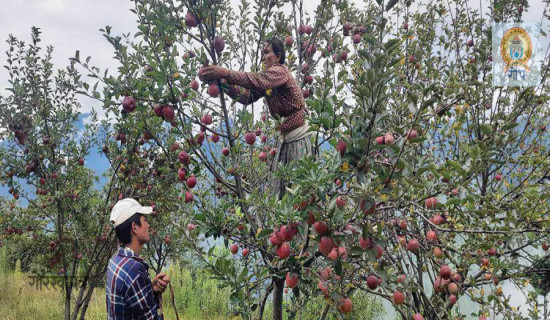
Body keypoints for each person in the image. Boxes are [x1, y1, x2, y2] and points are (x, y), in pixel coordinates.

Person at [199, 37, 312, 199]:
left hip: (298, 140)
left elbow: (255, 80)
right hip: (286, 141)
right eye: (261, 54)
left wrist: (224, 72)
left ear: (278, 56)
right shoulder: (269, 82)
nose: (263, 58)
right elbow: (247, 97)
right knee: (283, 195)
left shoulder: (280, 72)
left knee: (296, 194)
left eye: (266, 53)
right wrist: (224, 84)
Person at [106, 198, 170, 320]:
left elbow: (132, 304)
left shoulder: (115, 259)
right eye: (145, 220)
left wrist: (152, 290)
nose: (148, 225)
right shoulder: (134, 270)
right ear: (135, 227)